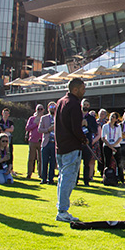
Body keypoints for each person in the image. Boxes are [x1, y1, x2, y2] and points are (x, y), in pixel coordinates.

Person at [55, 78, 87, 222]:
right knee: (68, 179)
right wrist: (83, 138)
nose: (84, 91)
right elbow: (76, 128)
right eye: (82, 88)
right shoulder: (74, 104)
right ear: (75, 89)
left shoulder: (61, 101)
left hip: (61, 146)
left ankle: (61, 208)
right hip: (71, 146)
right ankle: (62, 211)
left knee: (63, 178)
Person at [38, 101, 57, 185]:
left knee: (53, 162)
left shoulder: (58, 118)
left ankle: (51, 179)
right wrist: (48, 130)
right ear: (48, 108)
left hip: (55, 143)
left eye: (54, 107)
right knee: (44, 162)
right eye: (51, 107)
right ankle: (43, 179)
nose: (52, 109)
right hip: (46, 142)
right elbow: (39, 129)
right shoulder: (44, 118)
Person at [25, 104, 44, 179]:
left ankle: (41, 174)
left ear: (43, 110)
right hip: (32, 141)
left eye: (41, 109)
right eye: (38, 109)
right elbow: (27, 128)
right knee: (31, 158)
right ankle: (29, 174)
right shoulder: (32, 118)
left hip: (41, 141)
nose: (40, 110)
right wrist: (35, 124)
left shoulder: (44, 118)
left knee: (41, 159)